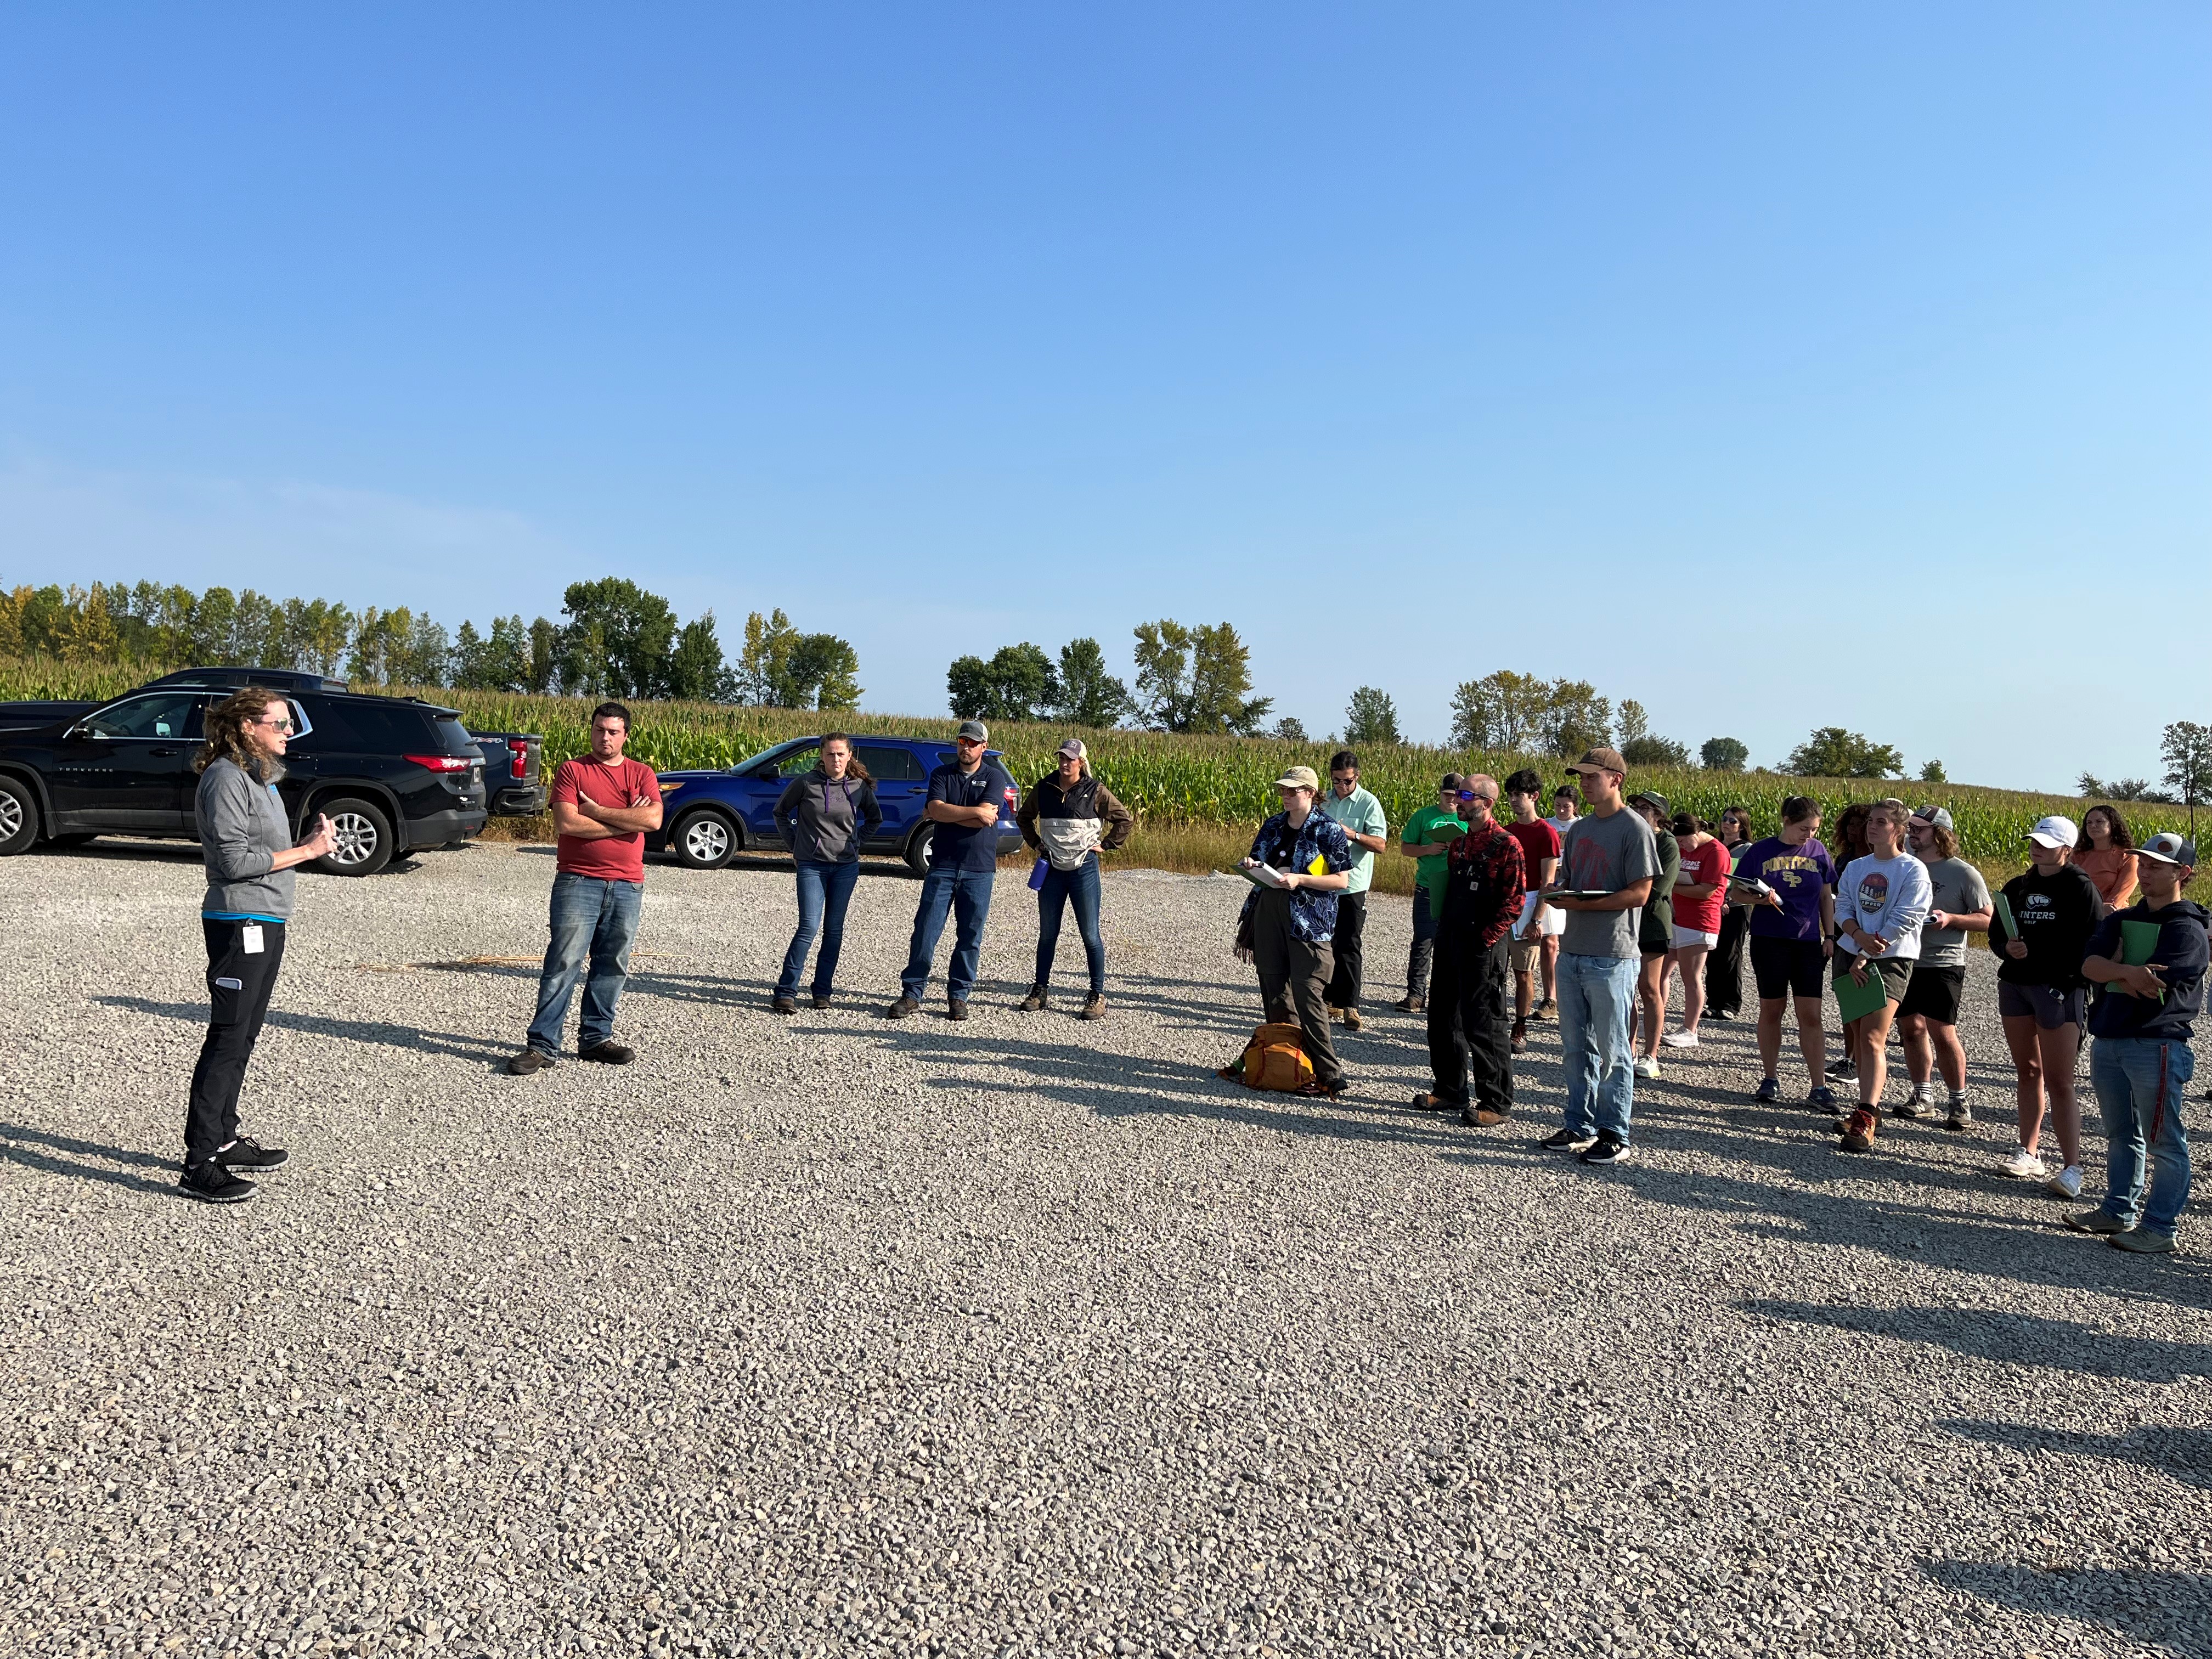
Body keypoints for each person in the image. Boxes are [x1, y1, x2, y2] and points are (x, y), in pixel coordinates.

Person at [178, 687, 337, 1203]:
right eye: (280, 723)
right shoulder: (226, 778)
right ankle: (199, 1162)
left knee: (245, 1034)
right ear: (248, 727)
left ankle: (224, 1137)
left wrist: (306, 843)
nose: (289, 732)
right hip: (237, 918)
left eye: (289, 724)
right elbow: (231, 864)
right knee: (227, 1037)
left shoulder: (259, 777)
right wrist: (307, 851)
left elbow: (262, 848)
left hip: (267, 917)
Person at [2069, 832, 2207, 1254]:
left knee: (2164, 1139)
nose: (2145, 873)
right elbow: (2090, 965)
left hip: (2157, 1044)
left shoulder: (2187, 928)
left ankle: (2160, 1227)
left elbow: (2160, 984)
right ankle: (2117, 1209)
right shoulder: (2120, 918)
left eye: (2156, 867)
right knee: (2120, 1132)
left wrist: (2117, 970)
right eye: (2142, 865)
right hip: (2110, 1037)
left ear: (2182, 873)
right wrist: (2129, 973)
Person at [511, 702, 662, 1074]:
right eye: (599, 729)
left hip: (627, 884)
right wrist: (628, 822)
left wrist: (594, 811)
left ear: (626, 735)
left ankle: (595, 1039)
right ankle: (543, 1046)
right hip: (578, 880)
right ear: (591, 730)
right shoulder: (573, 771)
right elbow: (567, 824)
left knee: (613, 964)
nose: (605, 737)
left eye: (613, 731)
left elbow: (654, 820)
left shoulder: (641, 774)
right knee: (564, 962)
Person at [1543, 749, 1658, 1166]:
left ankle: (1615, 1132)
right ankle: (1579, 1124)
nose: (1585, 782)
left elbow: (1640, 892)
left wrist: (1584, 905)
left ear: (1616, 780)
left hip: (1612, 953)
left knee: (1613, 1050)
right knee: (1576, 1047)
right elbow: (1571, 880)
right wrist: (1556, 892)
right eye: (1582, 776)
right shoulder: (1580, 830)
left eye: (1593, 776)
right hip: (1573, 950)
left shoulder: (1634, 829)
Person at [1221, 766, 1356, 1098]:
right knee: (1273, 986)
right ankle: (1285, 1063)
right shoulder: (1273, 825)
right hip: (1269, 909)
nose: (1285, 795)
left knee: (1309, 992)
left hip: (1310, 918)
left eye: (1292, 791)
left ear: (1311, 793)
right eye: (1282, 789)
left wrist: (1300, 879)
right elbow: (1258, 859)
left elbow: (1342, 881)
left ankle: (1328, 1072)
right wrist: (1252, 866)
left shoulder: (1328, 830)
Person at [1988, 815, 2105, 1195]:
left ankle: (2073, 1167)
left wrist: (2043, 957)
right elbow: (1996, 933)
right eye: (2034, 840)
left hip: (2060, 988)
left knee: (2061, 1081)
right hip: (2016, 986)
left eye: (2046, 842)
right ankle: (2030, 1151)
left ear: (2067, 850)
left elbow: (2090, 942)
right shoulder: (2018, 886)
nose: (2036, 847)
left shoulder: (2080, 888)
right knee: (2028, 1071)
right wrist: (2007, 947)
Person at [1414, 775, 1525, 1126]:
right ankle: (1450, 1088)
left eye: (1466, 796)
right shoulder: (1459, 843)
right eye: (1459, 795)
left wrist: (1486, 940)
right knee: (1442, 1017)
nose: (1459, 802)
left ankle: (1495, 1101)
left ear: (1487, 803)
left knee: (1485, 1022)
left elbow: (1515, 901)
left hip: (1483, 944)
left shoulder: (1508, 845)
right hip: (1450, 936)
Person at [888, 720, 1018, 1020]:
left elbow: (981, 820)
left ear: (983, 747)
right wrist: (972, 812)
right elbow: (939, 811)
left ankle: (958, 995)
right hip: (942, 866)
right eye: (963, 742)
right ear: (957, 744)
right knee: (926, 930)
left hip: (979, 869)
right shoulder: (941, 774)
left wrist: (946, 814)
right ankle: (912, 993)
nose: (967, 747)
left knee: (970, 934)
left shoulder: (994, 778)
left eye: (973, 743)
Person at [1830, 800, 1933, 1153]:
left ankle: (1867, 1118)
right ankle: (1861, 1105)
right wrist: (1857, 939)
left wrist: (1867, 952)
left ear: (1899, 829)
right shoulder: (1857, 867)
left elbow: (1907, 918)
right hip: (1851, 952)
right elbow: (1842, 906)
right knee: (1858, 1035)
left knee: (1874, 1036)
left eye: (1881, 822)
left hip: (1889, 959)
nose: (1871, 827)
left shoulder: (1912, 870)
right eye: (1870, 821)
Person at [1015, 737, 1135, 1019]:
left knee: (1091, 935)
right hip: (1052, 870)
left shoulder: (1095, 791)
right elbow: (1024, 817)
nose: (1065, 763)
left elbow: (1124, 819)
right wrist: (1036, 844)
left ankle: (1097, 994)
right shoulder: (1044, 788)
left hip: (1085, 870)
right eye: (1062, 758)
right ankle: (1040, 990)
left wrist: (1106, 845)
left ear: (1082, 762)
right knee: (1047, 935)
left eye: (1071, 759)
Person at [770, 733, 883, 1013]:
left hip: (845, 867)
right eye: (830, 754)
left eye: (841, 754)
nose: (836, 759)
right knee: (808, 926)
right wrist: (796, 845)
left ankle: (822, 990)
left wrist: (857, 842)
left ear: (849, 756)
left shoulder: (858, 787)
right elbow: (780, 812)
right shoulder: (806, 783)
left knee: (833, 930)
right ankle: (786, 991)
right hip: (812, 864)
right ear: (821, 755)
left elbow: (875, 818)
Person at [1738, 796, 1839, 1109]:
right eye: (1803, 829)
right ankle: (1770, 1078)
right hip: (1770, 939)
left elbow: (1826, 896)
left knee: (1811, 1014)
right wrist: (1761, 897)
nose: (1808, 835)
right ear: (1786, 821)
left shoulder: (1819, 852)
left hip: (1808, 941)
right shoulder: (1760, 851)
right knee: (1772, 1010)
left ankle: (1819, 1086)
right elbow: (1736, 892)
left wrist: (1830, 934)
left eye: (1813, 829)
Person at [1899, 805, 1992, 1130]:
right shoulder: (1905, 867)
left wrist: (1951, 919)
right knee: (1910, 1030)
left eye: (1920, 828)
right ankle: (1923, 1096)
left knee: (1942, 1033)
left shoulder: (1964, 873)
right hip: (1905, 958)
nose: (1912, 832)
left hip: (1943, 962)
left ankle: (1958, 1100)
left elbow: (1987, 918)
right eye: (1910, 827)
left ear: (1940, 834)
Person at [1319, 751, 1389, 1031]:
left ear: (1356, 777)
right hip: (1322, 880)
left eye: (1346, 781)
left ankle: (1351, 1005)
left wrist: (1352, 834)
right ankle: (1327, 1000)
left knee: (1349, 944)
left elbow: (1381, 845)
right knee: (1323, 942)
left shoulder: (1369, 803)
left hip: (1352, 883)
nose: (1341, 786)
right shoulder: (1323, 800)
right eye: (1336, 781)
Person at [1391, 774, 1465, 1015]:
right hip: (1428, 886)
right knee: (1423, 941)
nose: (1451, 801)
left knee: (1454, 943)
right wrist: (1428, 849)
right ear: (1440, 793)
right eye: (1447, 796)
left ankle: (1446, 995)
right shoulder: (1423, 816)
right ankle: (1415, 994)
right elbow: (1405, 847)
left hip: (1458, 889)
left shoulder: (1467, 818)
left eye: (1456, 797)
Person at [1500, 769, 1561, 1052]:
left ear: (1534, 796)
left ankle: (1520, 1027)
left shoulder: (1547, 833)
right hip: (1505, 906)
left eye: (1518, 795)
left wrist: (1537, 920)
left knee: (1523, 972)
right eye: (1510, 795)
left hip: (1531, 907)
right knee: (1495, 970)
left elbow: (1548, 883)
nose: (1513, 800)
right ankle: (1496, 1022)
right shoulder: (1507, 832)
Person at [1661, 810, 1729, 1050]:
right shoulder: (1682, 848)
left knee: (1691, 976)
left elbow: (1707, 891)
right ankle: (1658, 1020)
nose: (1681, 846)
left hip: (1701, 920)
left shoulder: (1717, 852)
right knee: (1661, 973)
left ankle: (1690, 1030)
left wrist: (1670, 887)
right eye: (1677, 842)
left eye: (1683, 841)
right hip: (1675, 917)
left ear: (1697, 833)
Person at [1625, 791, 1680, 1079]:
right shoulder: (1631, 836)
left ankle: (1652, 1055)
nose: (1637, 811)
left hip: (1651, 922)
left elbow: (1659, 889)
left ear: (1658, 814)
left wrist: (1624, 893)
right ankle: (1629, 1048)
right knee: (1625, 990)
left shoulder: (1667, 843)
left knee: (1649, 987)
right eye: (1635, 806)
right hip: (1624, 920)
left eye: (1644, 808)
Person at [1820, 802, 1875, 1082]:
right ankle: (1849, 1058)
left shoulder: (1878, 861)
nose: (1853, 830)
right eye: (1850, 825)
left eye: (1859, 825)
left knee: (1864, 1001)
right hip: (1843, 935)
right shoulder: (1844, 859)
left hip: (1869, 938)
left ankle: (1860, 1060)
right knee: (1846, 999)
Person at [1703, 805, 1754, 1022]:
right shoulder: (1714, 846)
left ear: (1742, 826)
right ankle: (1713, 1002)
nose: (1727, 823)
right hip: (1714, 906)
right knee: (1712, 953)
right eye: (1725, 819)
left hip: (1737, 907)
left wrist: (1729, 899)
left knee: (1731, 954)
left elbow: (1749, 881)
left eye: (1733, 820)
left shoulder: (1748, 850)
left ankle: (1731, 1004)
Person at [1536, 785, 1580, 1015]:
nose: (1562, 810)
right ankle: (1550, 997)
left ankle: (1574, 997)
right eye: (1558, 805)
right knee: (1550, 943)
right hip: (1552, 883)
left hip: (1574, 885)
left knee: (1574, 944)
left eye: (1566, 806)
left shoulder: (1583, 827)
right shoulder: (1547, 825)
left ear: (1575, 807)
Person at [2076, 805, 2140, 911]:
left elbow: (2117, 899)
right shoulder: (2078, 856)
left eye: (2099, 822)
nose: (2093, 826)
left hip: (2111, 916)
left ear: (2113, 824)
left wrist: (2099, 909)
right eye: (2089, 823)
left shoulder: (2128, 858)